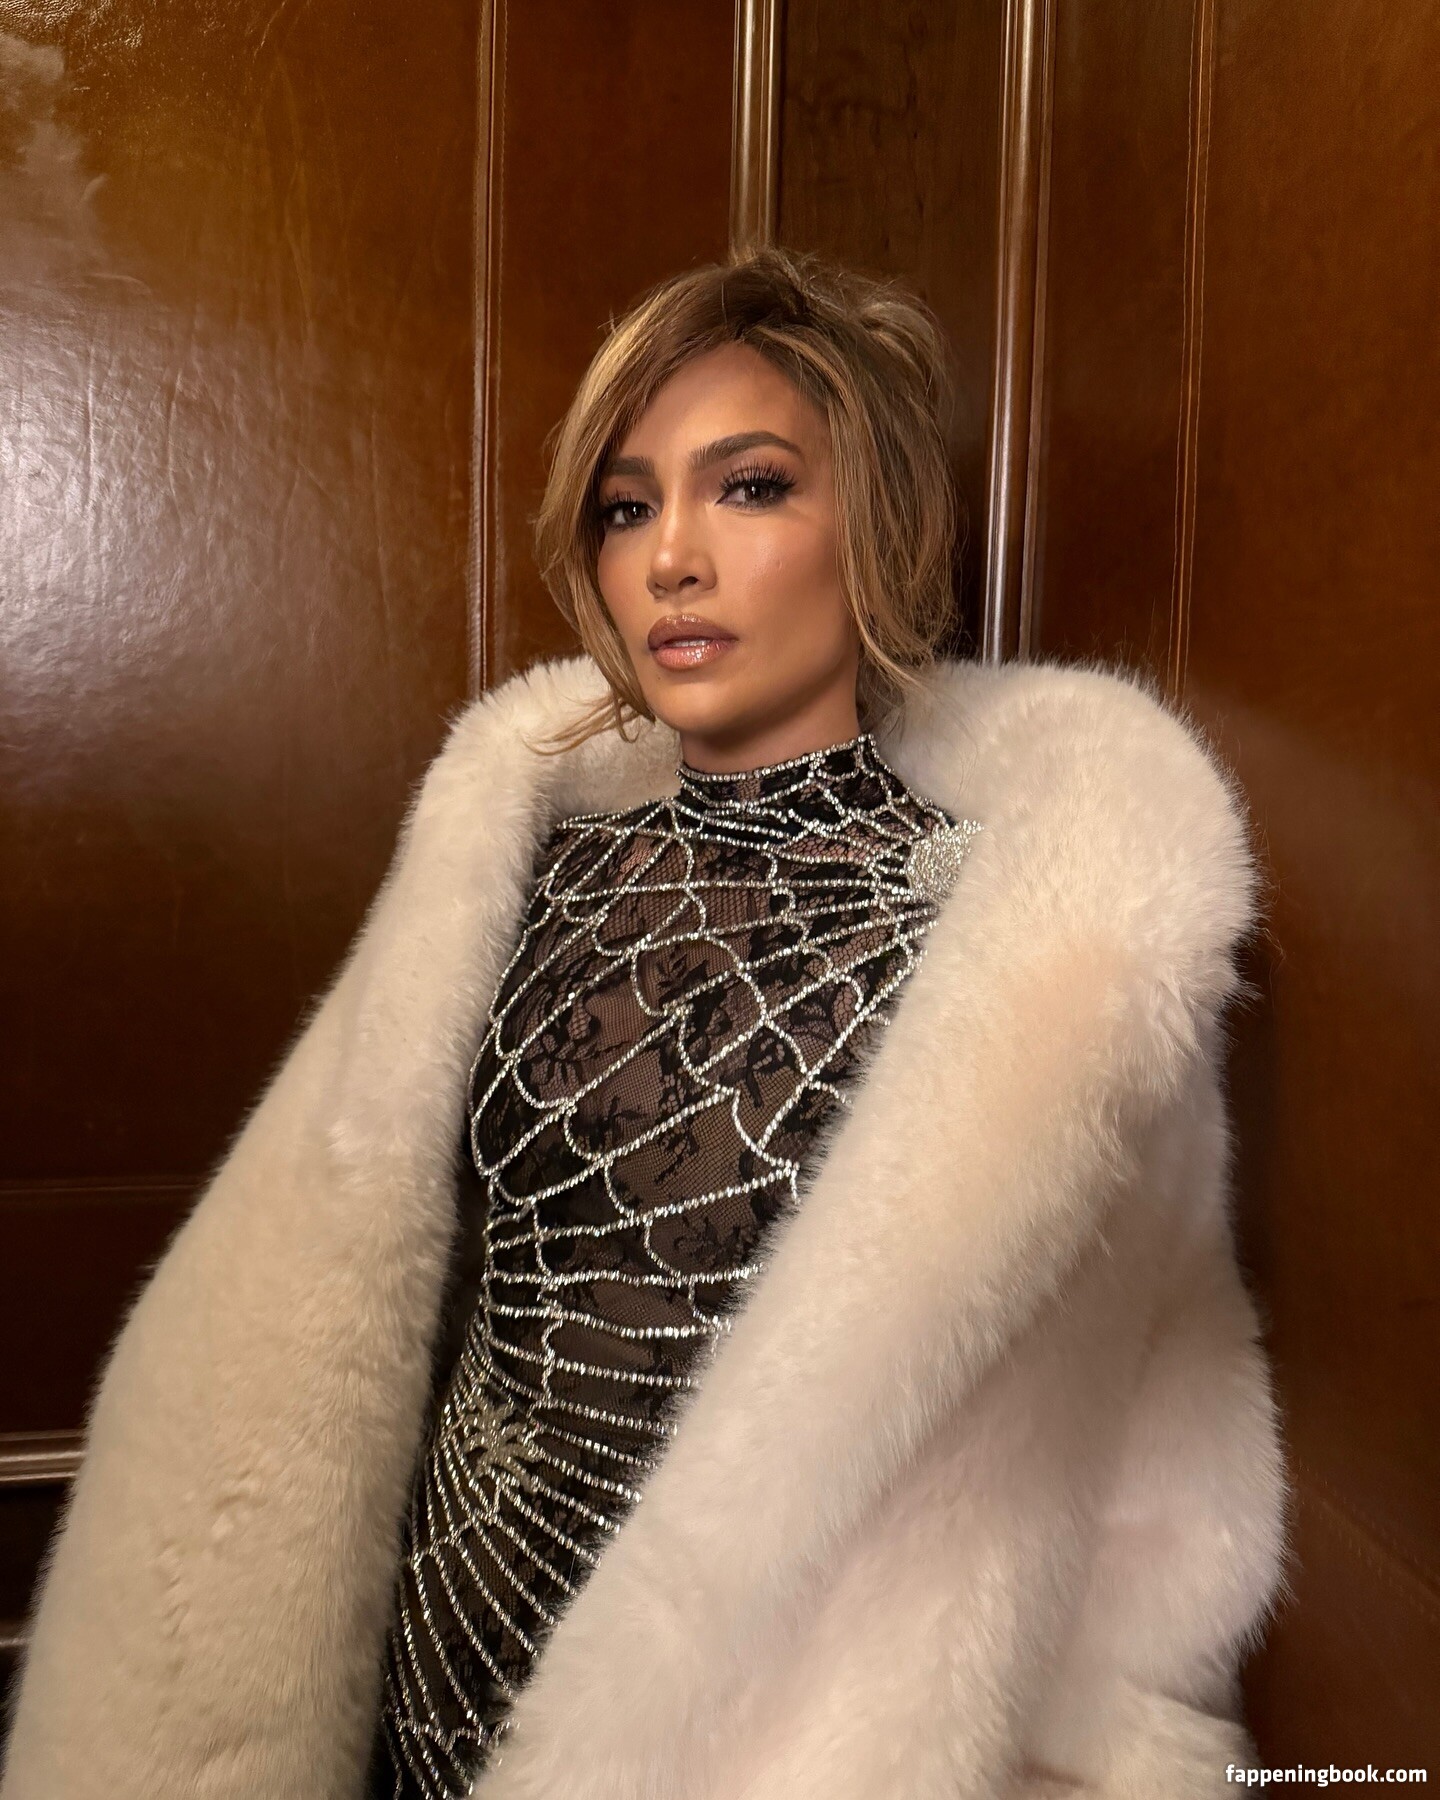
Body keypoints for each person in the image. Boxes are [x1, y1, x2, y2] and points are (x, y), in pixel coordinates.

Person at [0, 247, 1288, 1800]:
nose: (673, 556)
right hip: (418, 1676)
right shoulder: (511, 865)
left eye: (749, 488)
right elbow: (351, 1296)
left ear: (878, 523)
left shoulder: (1032, 941)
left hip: (746, 1737)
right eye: (626, 507)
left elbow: (1152, 1446)